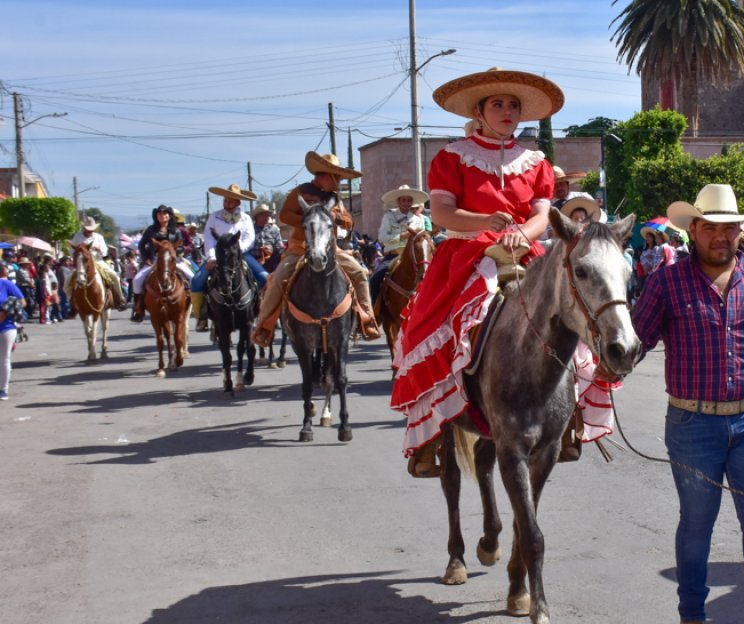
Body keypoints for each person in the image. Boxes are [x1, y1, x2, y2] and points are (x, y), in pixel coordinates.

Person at [393, 68, 616, 477]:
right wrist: (485, 222)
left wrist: (519, 233)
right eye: (498, 104)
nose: (507, 111)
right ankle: (429, 437)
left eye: (513, 105)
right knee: (430, 324)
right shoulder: (451, 156)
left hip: (524, 247)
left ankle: (574, 415)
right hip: (466, 248)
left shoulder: (535, 162)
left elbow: (542, 214)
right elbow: (442, 213)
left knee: (573, 309)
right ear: (479, 111)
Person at [632, 183, 744, 624]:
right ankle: (692, 614)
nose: (722, 235)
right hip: (692, 423)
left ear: (741, 231)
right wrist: (598, 377)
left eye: (730, 227)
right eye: (712, 227)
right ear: (693, 230)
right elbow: (635, 342)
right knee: (697, 526)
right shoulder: (666, 283)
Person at [252, 152, 382, 346]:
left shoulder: (335, 198)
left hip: (332, 250)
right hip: (299, 248)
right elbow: (285, 215)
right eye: (336, 176)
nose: (338, 181)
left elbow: (348, 222)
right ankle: (264, 326)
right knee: (277, 279)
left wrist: (337, 218)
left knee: (360, 274)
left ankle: (366, 319)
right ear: (325, 175)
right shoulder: (301, 192)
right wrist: (310, 220)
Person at [192, 184, 267, 332]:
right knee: (196, 281)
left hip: (241, 254)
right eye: (226, 199)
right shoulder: (214, 217)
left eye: (231, 200)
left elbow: (249, 238)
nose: (227, 202)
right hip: (218, 255)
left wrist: (237, 251)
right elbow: (208, 238)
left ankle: (263, 313)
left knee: (265, 278)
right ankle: (201, 317)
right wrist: (212, 257)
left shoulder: (245, 218)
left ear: (238, 202)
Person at [370, 184, 431, 307]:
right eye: (404, 200)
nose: (406, 203)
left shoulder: (419, 220)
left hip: (414, 258)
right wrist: (401, 237)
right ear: (399, 201)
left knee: (431, 279)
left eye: (409, 200)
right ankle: (374, 312)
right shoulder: (389, 217)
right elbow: (382, 238)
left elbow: (422, 239)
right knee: (375, 278)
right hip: (392, 257)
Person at [131, 204, 192, 323]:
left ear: (169, 216)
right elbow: (141, 245)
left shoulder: (176, 231)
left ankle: (198, 306)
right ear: (156, 216)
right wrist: (146, 258)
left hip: (174, 261)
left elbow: (182, 246)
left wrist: (173, 251)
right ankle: (138, 308)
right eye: (159, 213)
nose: (162, 215)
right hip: (154, 260)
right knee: (137, 280)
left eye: (165, 213)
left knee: (193, 277)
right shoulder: (150, 230)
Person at [67, 216, 127, 310]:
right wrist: (78, 251)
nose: (89, 231)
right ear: (84, 228)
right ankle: (70, 301)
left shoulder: (98, 237)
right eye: (87, 229)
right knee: (68, 281)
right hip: (82, 263)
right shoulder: (77, 237)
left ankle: (120, 298)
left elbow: (104, 251)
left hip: (98, 261)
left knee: (114, 276)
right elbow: (71, 250)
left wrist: (98, 249)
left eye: (91, 230)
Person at [0, 262, 23, 400]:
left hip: (6, 327)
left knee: (4, 358)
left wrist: (7, 310)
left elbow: (22, 301)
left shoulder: (6, 284)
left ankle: (3, 388)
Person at [252, 204, 284, 272]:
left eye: (267, 215)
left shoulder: (274, 229)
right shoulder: (250, 230)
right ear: (257, 216)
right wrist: (255, 261)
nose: (267, 217)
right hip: (254, 261)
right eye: (264, 215)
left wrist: (271, 250)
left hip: (272, 262)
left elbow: (280, 247)